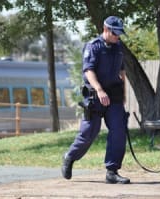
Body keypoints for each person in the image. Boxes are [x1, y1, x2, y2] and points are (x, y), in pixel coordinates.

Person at [61, 16, 130, 184]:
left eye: (120, 34)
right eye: (115, 33)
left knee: (118, 131)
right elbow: (88, 71)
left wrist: (124, 94)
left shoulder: (119, 46)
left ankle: (112, 171)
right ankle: (70, 157)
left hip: (113, 96)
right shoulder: (93, 46)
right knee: (89, 132)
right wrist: (99, 90)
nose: (117, 37)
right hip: (95, 96)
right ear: (106, 29)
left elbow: (122, 72)